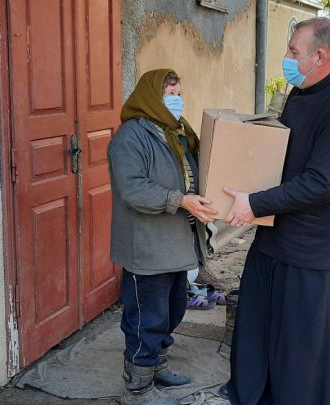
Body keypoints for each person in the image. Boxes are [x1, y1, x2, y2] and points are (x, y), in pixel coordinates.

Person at [221, 18, 330, 405]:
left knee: (300, 344)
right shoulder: (301, 92)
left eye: (292, 51)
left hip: (315, 250)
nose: (287, 59)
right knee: (260, 324)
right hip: (276, 236)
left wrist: (253, 203)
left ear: (318, 57)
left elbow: (322, 183)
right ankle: (255, 391)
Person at [108, 69, 217, 405]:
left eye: (179, 91)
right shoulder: (132, 137)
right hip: (148, 245)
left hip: (177, 241)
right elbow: (133, 189)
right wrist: (179, 200)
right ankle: (136, 389)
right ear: (151, 95)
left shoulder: (178, 133)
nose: (176, 97)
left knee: (172, 311)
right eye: (170, 91)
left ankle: (155, 367)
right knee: (146, 317)